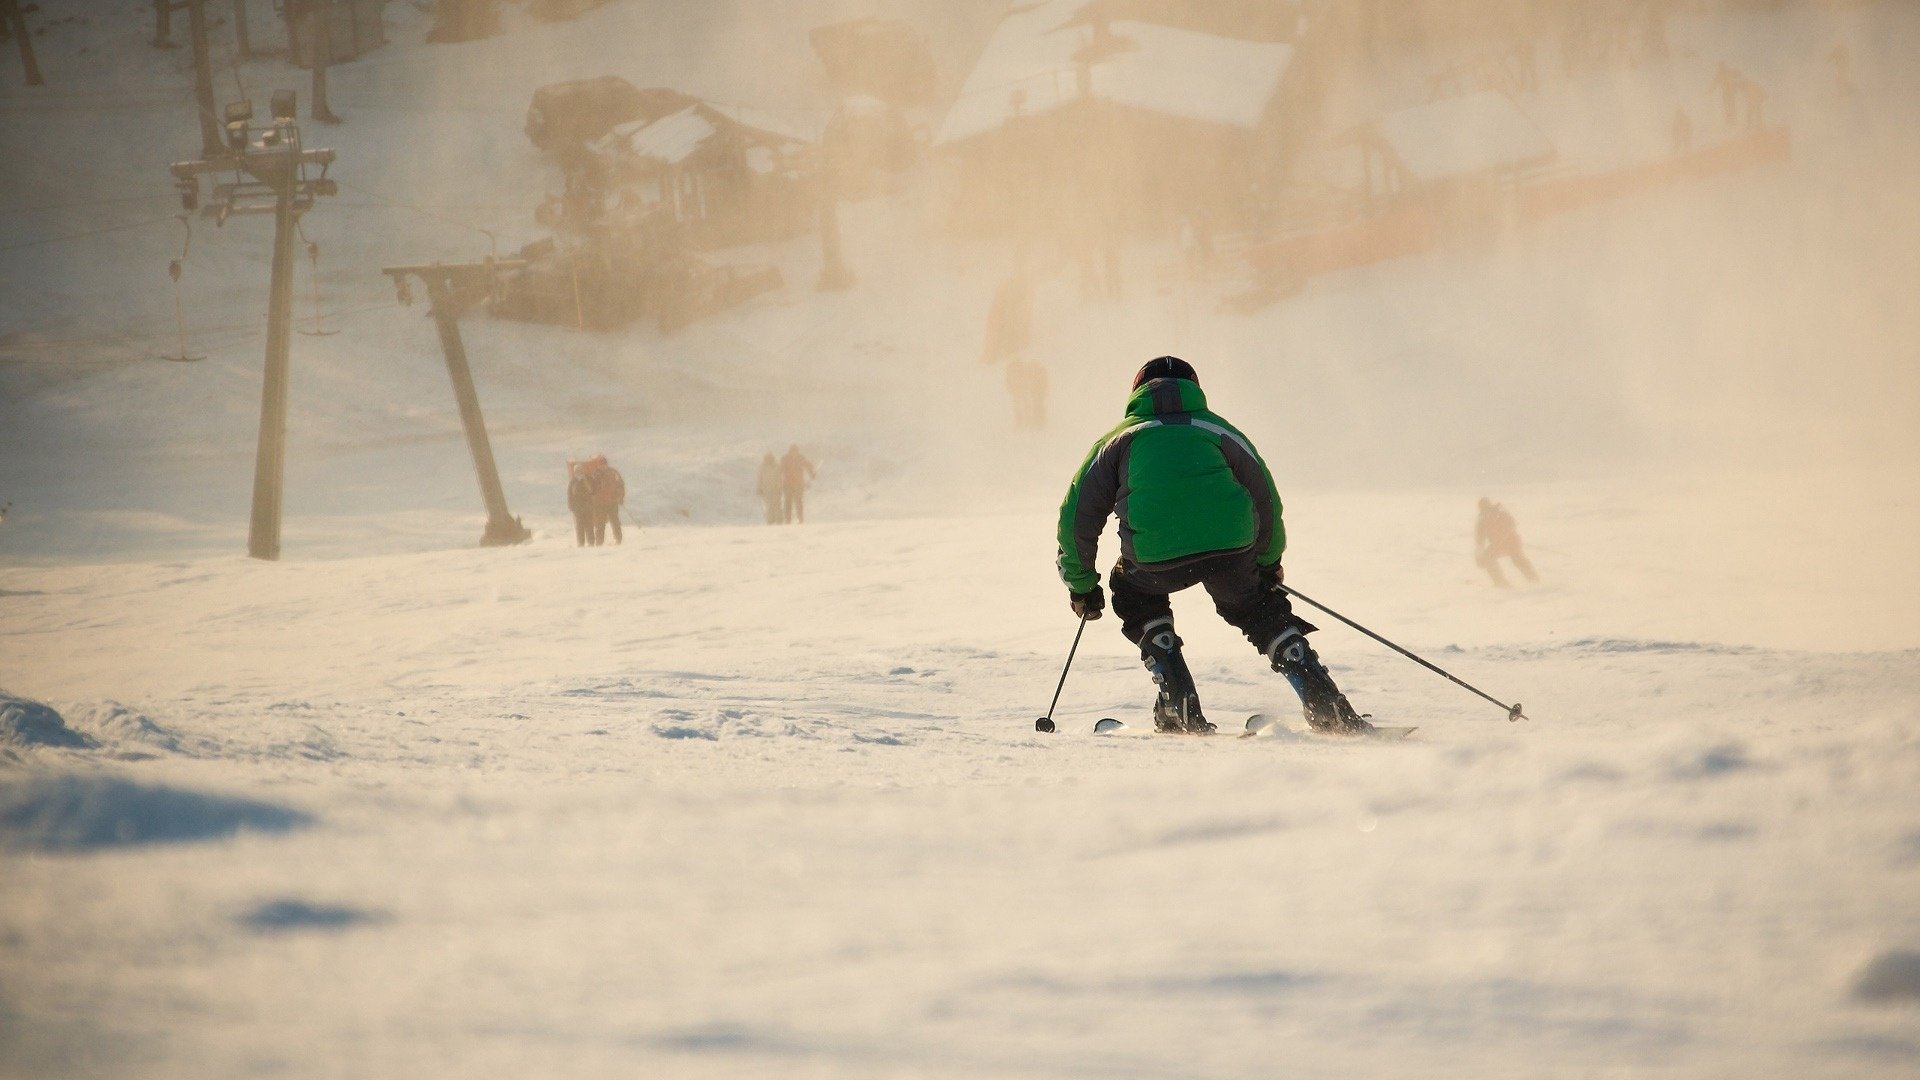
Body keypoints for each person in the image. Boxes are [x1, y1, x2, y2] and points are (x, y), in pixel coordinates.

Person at [1055, 356, 1372, 736]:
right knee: (1257, 609)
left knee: (1134, 594)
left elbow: (1077, 518)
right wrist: (1268, 563)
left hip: (1154, 558)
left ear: (1136, 390)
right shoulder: (1219, 430)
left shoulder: (1119, 439)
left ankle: (1178, 701)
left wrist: (1082, 586)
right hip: (1232, 549)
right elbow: (1265, 498)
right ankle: (1325, 704)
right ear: (1195, 387)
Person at [1474, 497, 1537, 588]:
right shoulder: (1485, 520)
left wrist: (1503, 536)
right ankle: (1502, 583)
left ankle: (1532, 579)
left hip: (1510, 542)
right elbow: (1479, 541)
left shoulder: (1499, 514)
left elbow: (1511, 524)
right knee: (1490, 557)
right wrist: (1479, 555)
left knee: (1517, 559)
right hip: (1502, 544)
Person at [585, 454, 626, 545]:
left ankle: (599, 542)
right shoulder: (614, 472)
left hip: (600, 503)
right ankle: (618, 539)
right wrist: (620, 497)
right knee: (614, 521)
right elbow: (620, 485)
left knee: (600, 523)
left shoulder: (596, 473)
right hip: (612, 501)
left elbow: (592, 488)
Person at [1005, 357, 1049, 430]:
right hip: (1023, 391)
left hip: (1026, 391)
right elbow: (1011, 381)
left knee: (1030, 406)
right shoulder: (1019, 369)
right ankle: (1029, 422)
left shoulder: (1018, 369)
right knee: (1027, 406)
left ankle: (1033, 422)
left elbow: (1038, 381)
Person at [779, 444, 816, 524]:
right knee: (788, 502)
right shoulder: (785, 459)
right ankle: (788, 520)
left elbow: (808, 465)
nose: (794, 453)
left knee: (798, 501)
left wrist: (812, 473)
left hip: (798, 484)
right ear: (790, 451)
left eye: (796, 451)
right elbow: (780, 470)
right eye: (793, 451)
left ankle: (800, 519)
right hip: (787, 484)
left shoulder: (800, 458)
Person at [566, 461, 596, 547]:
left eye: (580, 470)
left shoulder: (588, 479)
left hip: (587, 506)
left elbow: (592, 491)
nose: (578, 472)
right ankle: (581, 542)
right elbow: (570, 494)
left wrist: (585, 481)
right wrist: (570, 505)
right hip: (577, 507)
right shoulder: (573, 481)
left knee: (589, 525)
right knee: (579, 526)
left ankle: (591, 542)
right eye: (577, 470)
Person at [755, 453, 783, 524]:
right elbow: (759, 479)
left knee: (777, 505)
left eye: (770, 458)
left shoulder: (777, 466)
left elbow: (780, 478)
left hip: (776, 489)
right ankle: (770, 521)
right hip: (766, 489)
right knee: (769, 505)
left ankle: (779, 521)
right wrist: (759, 488)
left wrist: (780, 487)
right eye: (767, 458)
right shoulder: (762, 467)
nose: (768, 460)